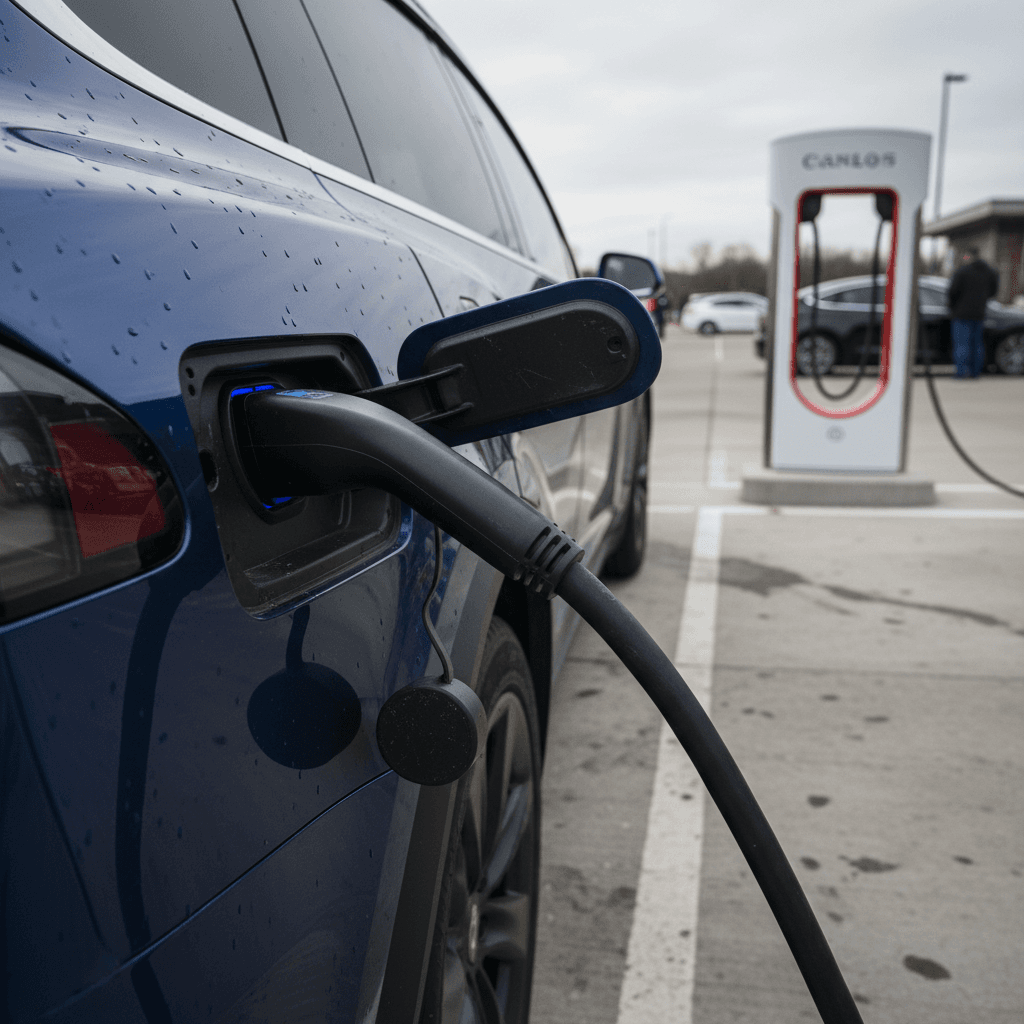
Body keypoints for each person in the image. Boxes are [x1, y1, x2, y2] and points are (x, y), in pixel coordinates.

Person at [948, 248, 999, 378]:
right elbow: (993, 291)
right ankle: (975, 372)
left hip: (961, 313)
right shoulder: (989, 272)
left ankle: (961, 372)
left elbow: (953, 292)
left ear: (968, 256)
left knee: (962, 344)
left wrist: (952, 307)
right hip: (980, 313)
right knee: (977, 344)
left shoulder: (963, 272)